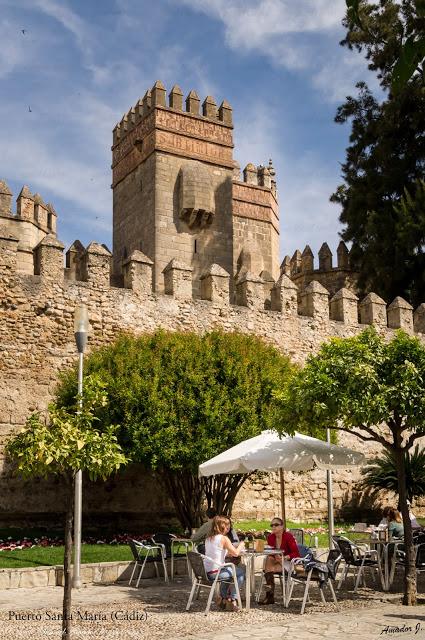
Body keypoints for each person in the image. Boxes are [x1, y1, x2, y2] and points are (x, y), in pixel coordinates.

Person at [204, 515, 246, 611]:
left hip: (206, 572)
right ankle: (232, 598)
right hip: (216, 573)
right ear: (223, 526)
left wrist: (227, 554)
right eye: (228, 525)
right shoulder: (223, 538)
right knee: (241, 572)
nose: (229, 527)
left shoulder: (208, 538)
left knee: (230, 570)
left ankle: (223, 597)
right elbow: (235, 553)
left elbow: (216, 553)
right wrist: (241, 544)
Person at [259, 517, 299, 605]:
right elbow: (271, 551)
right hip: (277, 560)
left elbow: (296, 553)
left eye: (276, 525)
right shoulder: (271, 537)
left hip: (288, 562)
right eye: (272, 525)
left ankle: (269, 596)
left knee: (268, 569)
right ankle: (270, 595)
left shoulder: (288, 536)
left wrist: (284, 558)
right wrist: (275, 556)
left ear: (282, 526)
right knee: (269, 559)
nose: (273, 527)